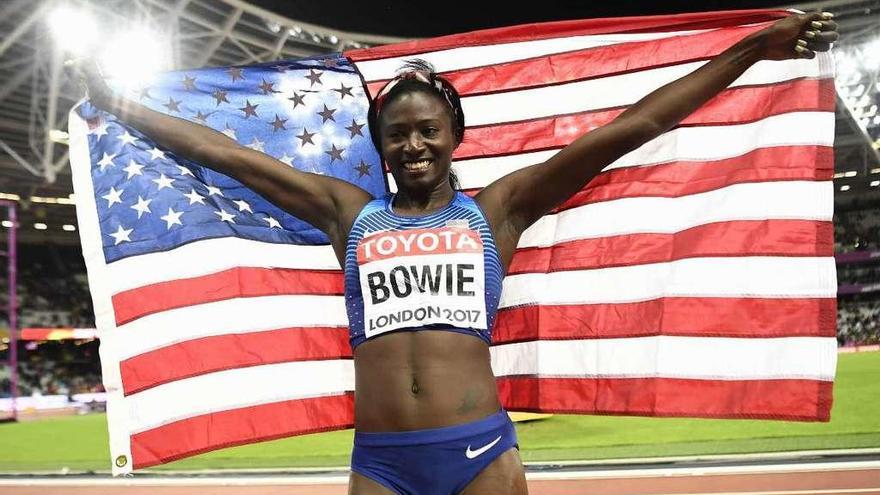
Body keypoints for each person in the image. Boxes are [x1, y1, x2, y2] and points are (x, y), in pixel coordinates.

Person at [77, 11, 838, 495]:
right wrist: (121, 106)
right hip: (380, 462)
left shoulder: (497, 209)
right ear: (380, 144)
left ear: (454, 137)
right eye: (397, 132)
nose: (412, 143)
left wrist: (749, 51)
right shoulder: (350, 213)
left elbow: (630, 128)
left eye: (427, 130)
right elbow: (231, 156)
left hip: (479, 454)